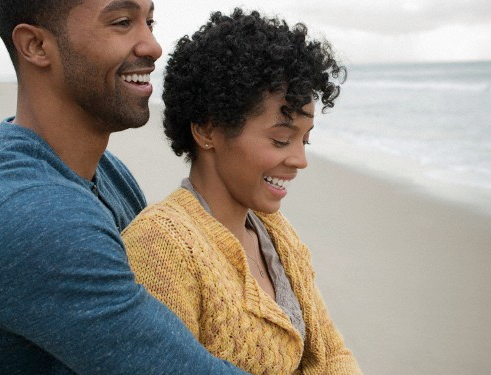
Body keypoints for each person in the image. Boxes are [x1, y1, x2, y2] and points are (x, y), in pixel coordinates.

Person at [0, 1, 250, 374]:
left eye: (149, 22)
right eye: (122, 22)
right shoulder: (39, 217)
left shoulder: (106, 172)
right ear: (36, 46)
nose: (152, 46)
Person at [122, 8, 363, 375]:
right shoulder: (161, 247)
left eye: (305, 140)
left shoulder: (275, 231)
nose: (299, 160)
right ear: (206, 130)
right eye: (282, 139)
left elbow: (332, 354)